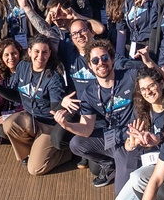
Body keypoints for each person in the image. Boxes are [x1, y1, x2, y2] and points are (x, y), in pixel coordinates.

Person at [56, 39, 136, 187]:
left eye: (105, 58)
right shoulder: (90, 93)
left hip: (132, 138)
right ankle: (109, 164)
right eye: (95, 60)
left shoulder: (130, 76)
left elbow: (153, 79)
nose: (101, 63)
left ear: (112, 60)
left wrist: (152, 65)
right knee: (76, 143)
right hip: (112, 135)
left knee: (122, 197)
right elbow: (86, 129)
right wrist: (66, 124)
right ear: (90, 66)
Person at [0, 36, 69, 175]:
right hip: (30, 118)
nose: (40, 56)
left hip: (48, 124)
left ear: (50, 53)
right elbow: (17, 95)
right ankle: (32, 151)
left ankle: (66, 154)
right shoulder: (22, 67)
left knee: (35, 169)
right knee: (9, 124)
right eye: (36, 51)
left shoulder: (53, 77)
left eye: (45, 52)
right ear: (29, 51)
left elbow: (55, 108)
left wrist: (62, 105)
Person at [112, 68, 164, 200]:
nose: (148, 92)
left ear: (162, 84)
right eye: (143, 89)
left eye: (151, 86)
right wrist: (132, 144)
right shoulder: (141, 110)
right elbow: (128, 144)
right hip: (148, 164)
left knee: (137, 177)